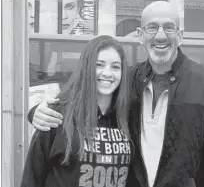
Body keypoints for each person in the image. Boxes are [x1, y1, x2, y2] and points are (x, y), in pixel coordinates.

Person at [27, 1, 204, 187]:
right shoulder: (128, 81)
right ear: (140, 35)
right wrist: (36, 111)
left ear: (181, 36)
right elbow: (84, 95)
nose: (160, 36)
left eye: (169, 28)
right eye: (152, 28)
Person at [21, 35, 132, 187]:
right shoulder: (56, 115)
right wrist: (33, 112)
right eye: (99, 65)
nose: (107, 73)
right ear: (86, 67)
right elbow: (32, 177)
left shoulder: (128, 117)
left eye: (115, 67)